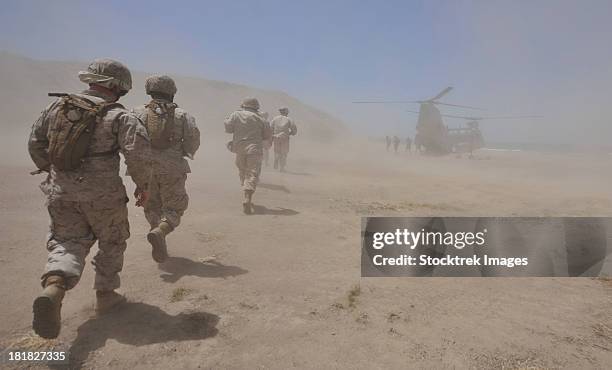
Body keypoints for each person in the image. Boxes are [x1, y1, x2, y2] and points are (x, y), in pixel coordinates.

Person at [28, 58, 151, 339]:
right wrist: (144, 186)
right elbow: (138, 157)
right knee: (112, 240)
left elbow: (35, 143)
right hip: (103, 195)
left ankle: (55, 286)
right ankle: (106, 295)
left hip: (61, 192)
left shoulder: (57, 106)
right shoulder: (121, 116)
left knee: (67, 241)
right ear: (119, 87)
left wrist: (57, 173)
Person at [131, 75, 200, 263]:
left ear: (149, 90)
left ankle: (156, 231)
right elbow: (193, 140)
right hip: (173, 168)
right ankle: (161, 231)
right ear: (172, 92)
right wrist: (183, 152)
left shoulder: (136, 112)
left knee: (151, 205)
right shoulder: (182, 114)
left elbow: (129, 141)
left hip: (144, 169)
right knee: (175, 206)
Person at [224, 98, 272, 214]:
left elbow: (228, 129)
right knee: (252, 173)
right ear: (256, 107)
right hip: (254, 149)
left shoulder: (236, 114)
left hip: (239, 148)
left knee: (242, 171)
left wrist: (226, 120)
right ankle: (248, 197)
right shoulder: (262, 119)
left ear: (244, 105)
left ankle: (245, 189)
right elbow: (266, 136)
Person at [270, 107, 297, 172]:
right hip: (285, 138)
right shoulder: (289, 119)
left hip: (276, 137)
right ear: (286, 112)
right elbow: (294, 128)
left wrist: (273, 135)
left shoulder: (275, 118)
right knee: (284, 153)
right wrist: (291, 133)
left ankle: (276, 158)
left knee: (277, 151)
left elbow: (270, 127)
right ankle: (282, 168)